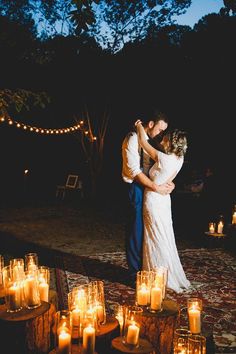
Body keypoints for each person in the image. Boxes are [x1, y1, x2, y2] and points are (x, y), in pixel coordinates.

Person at [135, 119, 190, 293]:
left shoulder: (164, 158)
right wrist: (171, 184)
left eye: (165, 138)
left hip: (153, 199)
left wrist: (138, 125)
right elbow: (169, 177)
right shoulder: (179, 159)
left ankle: (156, 277)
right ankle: (164, 274)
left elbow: (144, 143)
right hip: (164, 201)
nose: (163, 139)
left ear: (171, 142)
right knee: (164, 236)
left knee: (154, 237)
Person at [121, 110, 174, 285]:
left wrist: (169, 183)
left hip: (151, 188)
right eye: (160, 129)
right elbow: (135, 172)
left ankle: (148, 267)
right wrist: (156, 187)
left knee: (148, 228)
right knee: (136, 228)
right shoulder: (132, 139)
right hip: (136, 187)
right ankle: (134, 273)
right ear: (150, 124)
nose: (161, 134)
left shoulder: (151, 141)